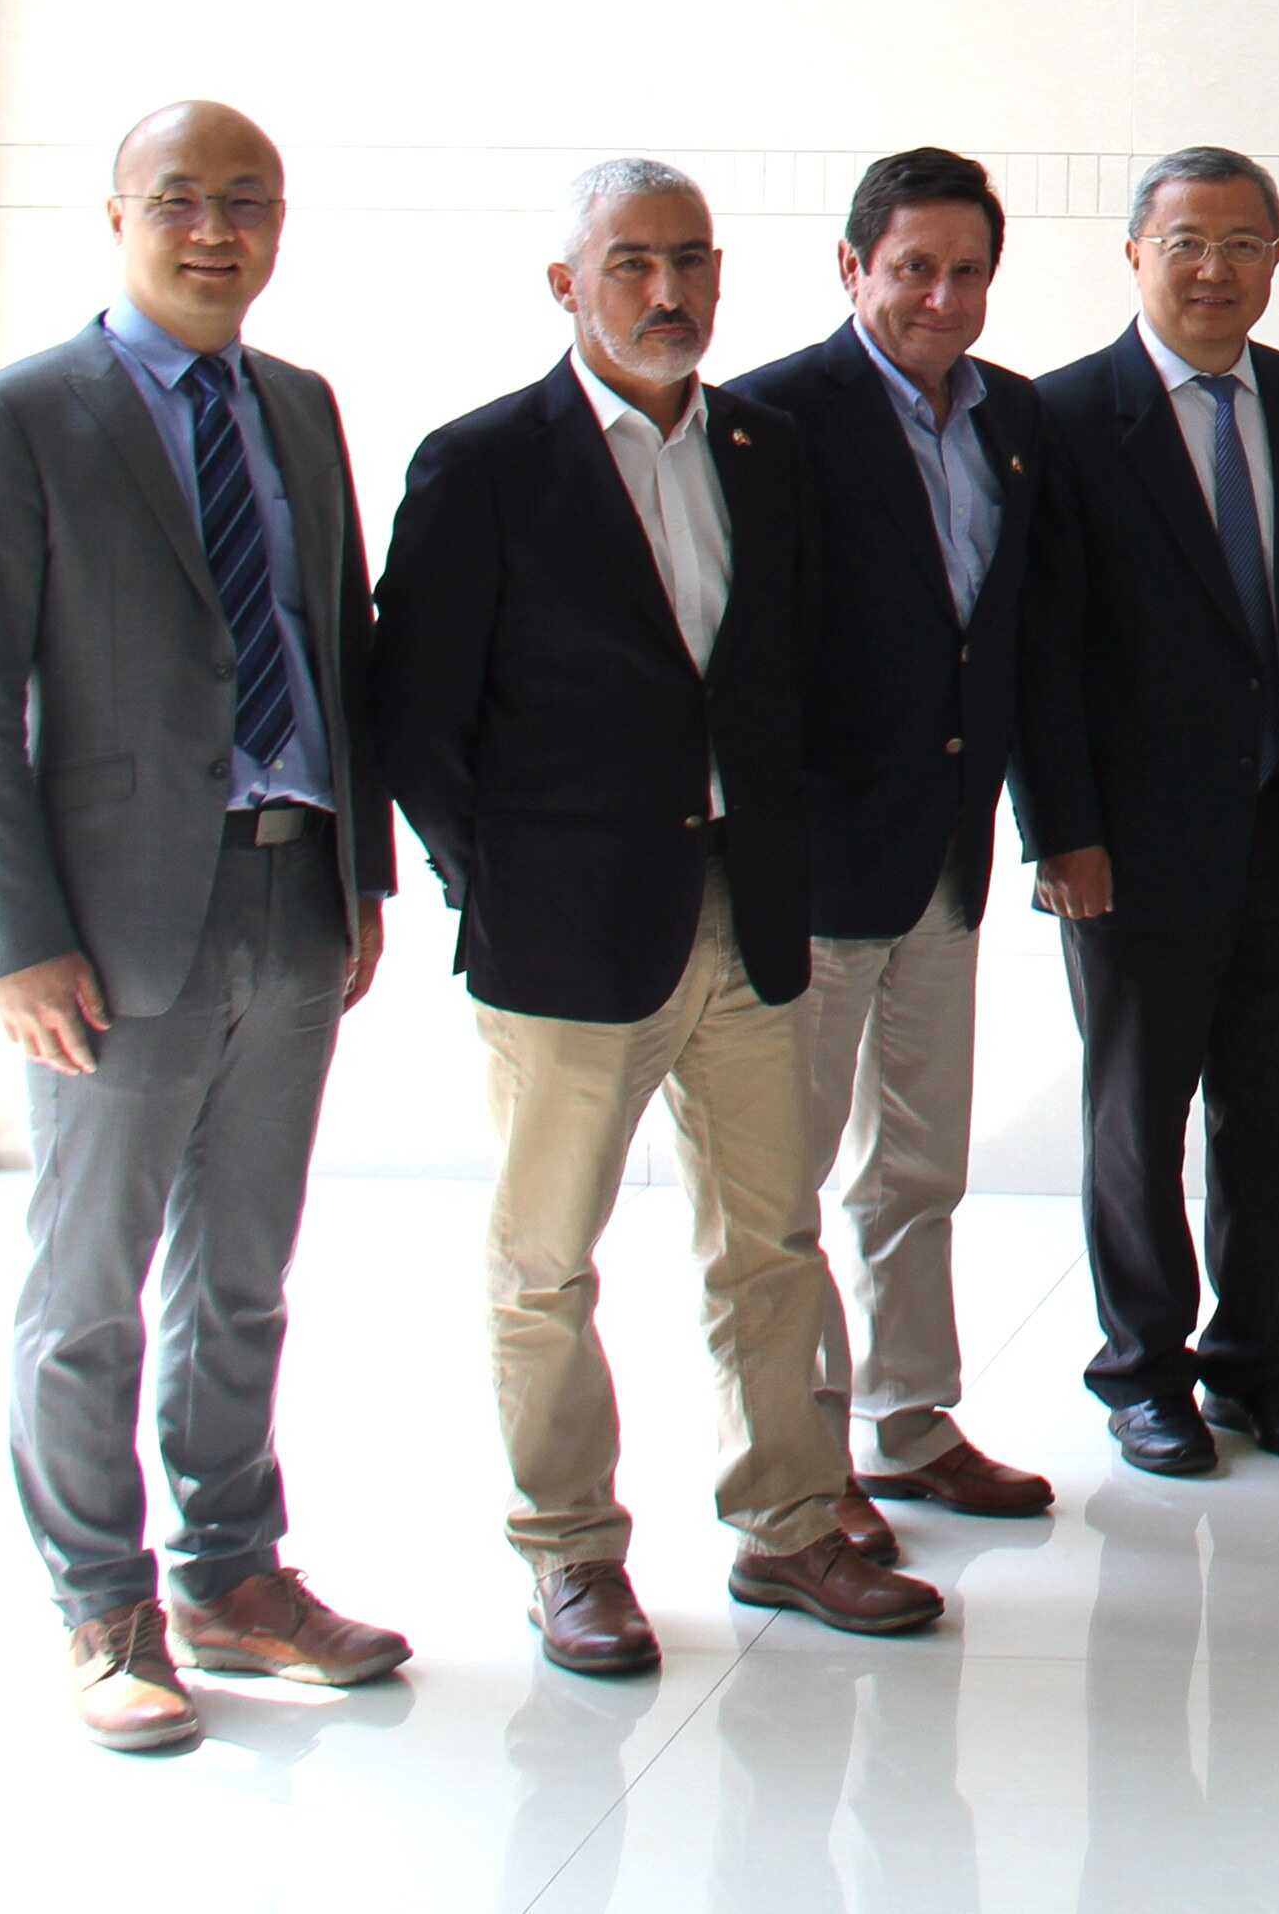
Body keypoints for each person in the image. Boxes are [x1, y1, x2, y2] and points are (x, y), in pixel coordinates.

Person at [375, 159, 942, 1669]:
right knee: (546, 1263)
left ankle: (791, 1523)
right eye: (631, 262)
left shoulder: (766, 447)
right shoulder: (484, 463)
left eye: (691, 259)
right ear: (566, 284)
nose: (668, 289)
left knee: (769, 1240)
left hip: (746, 916)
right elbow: (418, 717)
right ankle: (569, 1550)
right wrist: (496, 883)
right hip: (564, 936)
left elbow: (793, 670)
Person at [0, 102, 409, 1750]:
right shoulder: (14, 419)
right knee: (91, 1286)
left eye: (246, 200)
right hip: (113, 927)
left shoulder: (299, 405)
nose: (216, 229)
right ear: (116, 213)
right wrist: (13, 938)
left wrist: (358, 875)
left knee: (243, 1272)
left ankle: (232, 1574)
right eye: (181, 199)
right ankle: (101, 1601)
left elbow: (332, 647)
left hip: (292, 891)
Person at [1015, 147, 1279, 1478]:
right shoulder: (1062, 415)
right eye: (1186, 244)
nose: (1214, 269)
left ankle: (1259, 1363)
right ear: (1134, 255)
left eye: (1242, 244)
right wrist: (1060, 830)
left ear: (1276, 257)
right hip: (1130, 847)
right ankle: (1144, 1371)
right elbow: (1039, 645)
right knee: (1137, 1120)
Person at [725, 148, 1053, 1554]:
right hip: (814, 866)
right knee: (782, 1181)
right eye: (914, 268)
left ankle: (910, 1421)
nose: (942, 296)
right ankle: (804, 1455)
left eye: (967, 271)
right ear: (853, 266)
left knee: (917, 1164)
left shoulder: (1012, 416)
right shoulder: (768, 420)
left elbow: (1013, 640)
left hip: (944, 857)